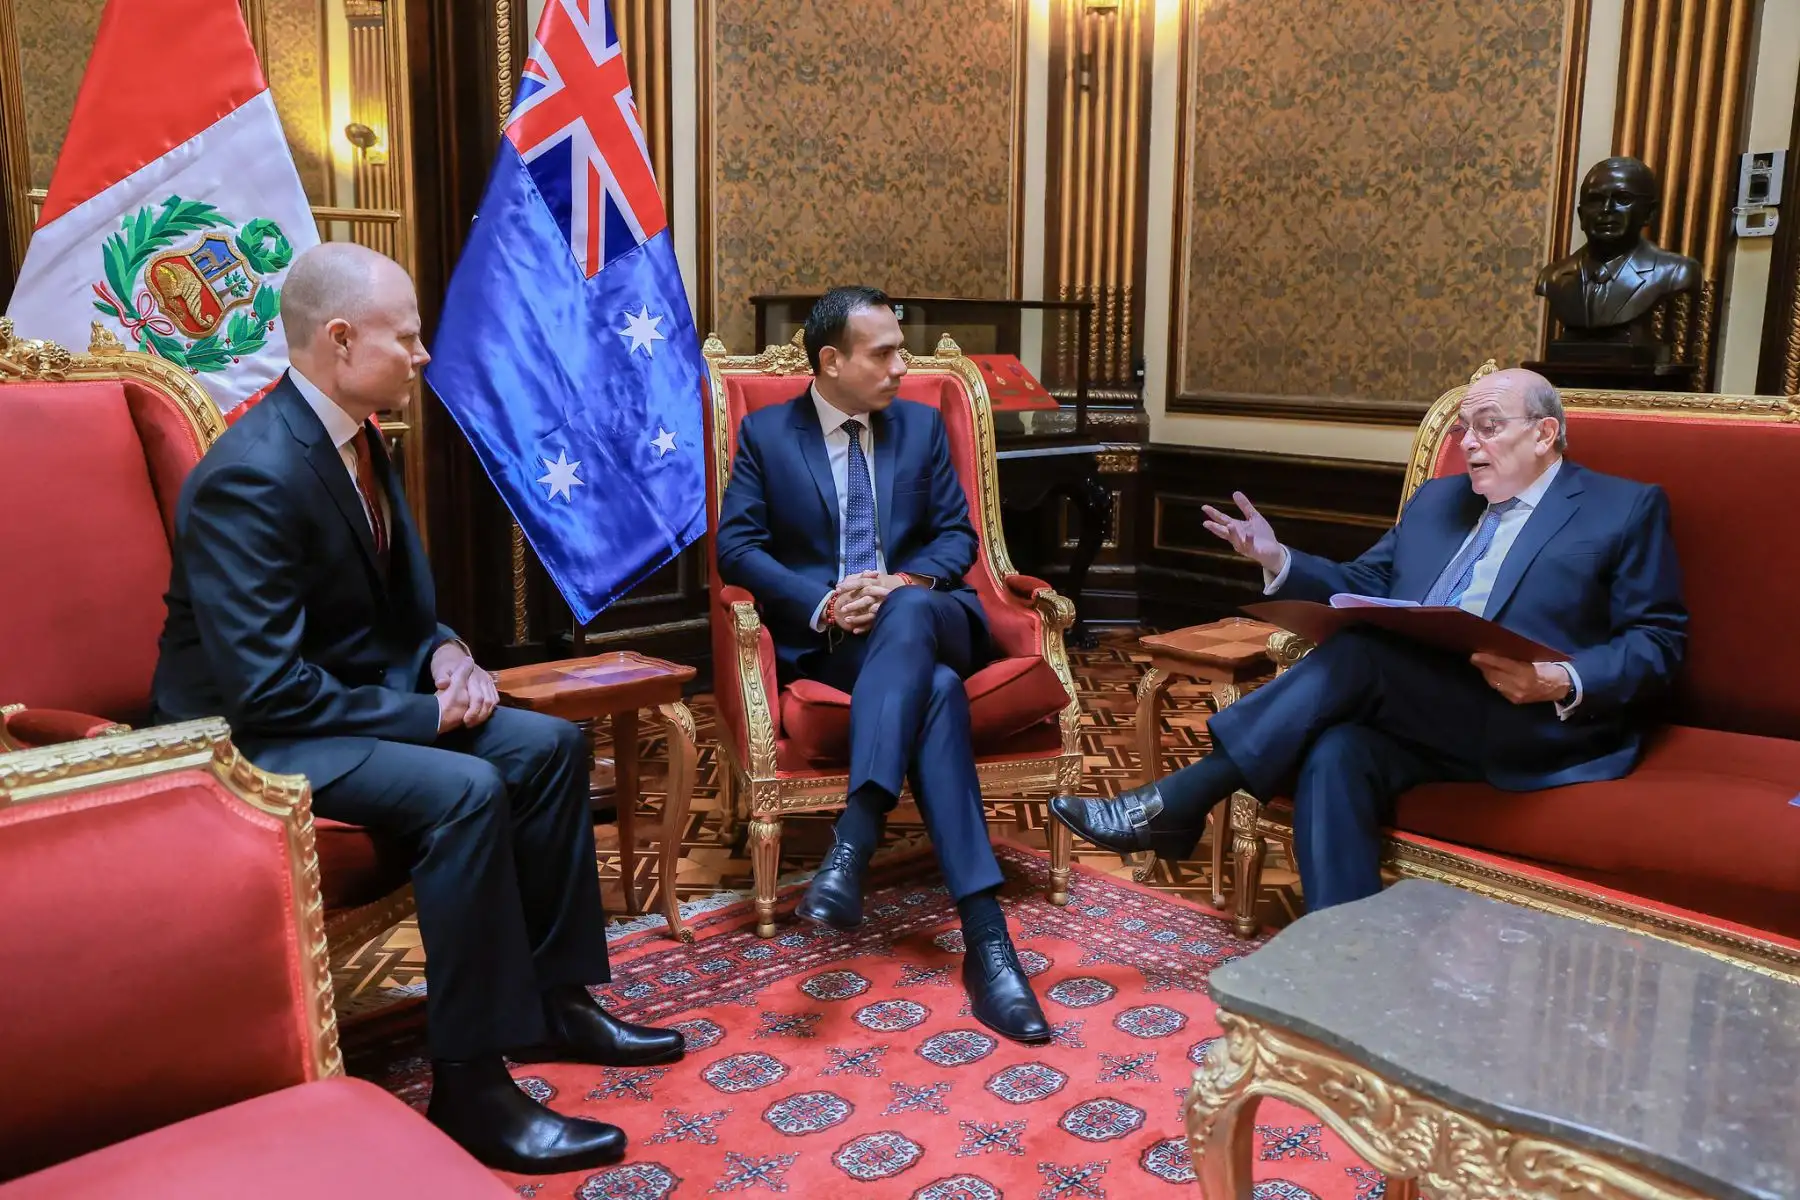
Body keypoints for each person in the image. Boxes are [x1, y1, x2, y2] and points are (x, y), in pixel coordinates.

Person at [151, 243, 682, 1175]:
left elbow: (396, 610)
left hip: (341, 704)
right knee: (466, 791)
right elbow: (264, 690)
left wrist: (444, 652)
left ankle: (556, 1004)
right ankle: (471, 1087)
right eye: (407, 337)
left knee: (549, 749)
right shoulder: (253, 473)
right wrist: (428, 718)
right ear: (339, 339)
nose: (423, 354)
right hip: (251, 738)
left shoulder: (359, 436)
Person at [1052, 368, 1687, 909]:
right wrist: (1278, 559)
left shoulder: (1621, 509)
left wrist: (1557, 679)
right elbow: (1366, 583)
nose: (1468, 443)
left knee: (1362, 656)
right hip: (1423, 712)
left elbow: (1658, 642)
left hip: (1531, 718)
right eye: (1464, 429)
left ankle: (1178, 802)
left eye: (1489, 426)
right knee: (1338, 750)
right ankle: (1341, 956)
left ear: (1545, 433)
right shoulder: (1439, 501)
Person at [715, 286, 1049, 1044]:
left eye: (903, 350)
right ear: (832, 361)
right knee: (934, 692)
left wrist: (899, 583)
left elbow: (956, 537)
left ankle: (855, 836)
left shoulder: (920, 427)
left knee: (911, 619)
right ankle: (988, 942)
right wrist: (826, 603)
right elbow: (736, 549)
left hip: (935, 618)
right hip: (842, 644)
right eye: (886, 353)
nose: (904, 366)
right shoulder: (768, 435)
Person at [1537, 156, 1700, 334]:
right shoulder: (1552, 278)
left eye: (1623, 198)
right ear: (1581, 215)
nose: (1606, 209)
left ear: (1649, 213)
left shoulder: (1675, 272)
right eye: (1595, 200)